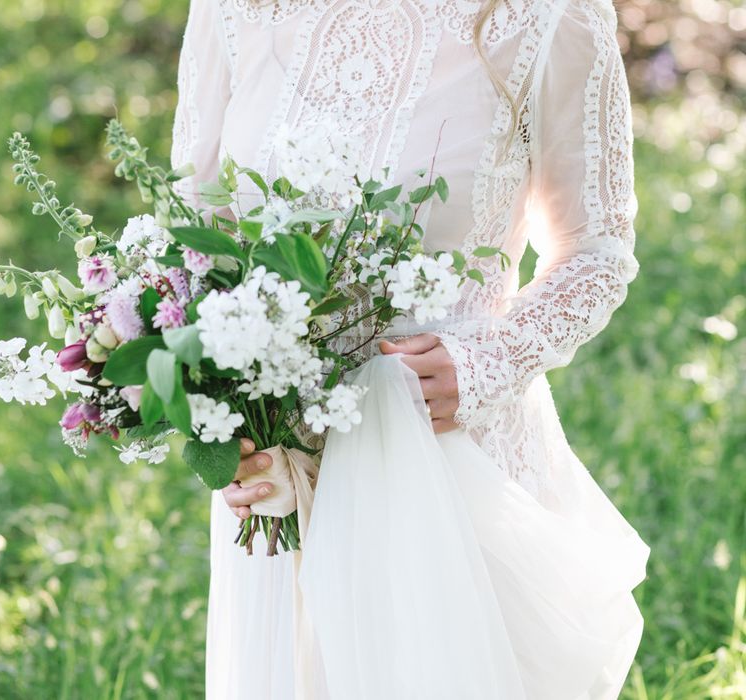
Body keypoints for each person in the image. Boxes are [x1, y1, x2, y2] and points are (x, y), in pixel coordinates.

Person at [170, 0, 651, 697]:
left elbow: (597, 247)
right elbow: (194, 226)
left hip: (450, 466)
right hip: (280, 465)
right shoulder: (232, 9)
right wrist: (220, 409)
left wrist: (493, 362)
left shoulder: (548, 13)